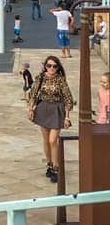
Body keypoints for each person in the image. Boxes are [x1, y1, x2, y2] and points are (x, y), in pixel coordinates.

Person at [27, 56, 74, 184]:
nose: (52, 68)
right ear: (45, 66)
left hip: (57, 110)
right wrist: (30, 109)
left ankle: (56, 167)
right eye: (49, 65)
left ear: (58, 67)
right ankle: (49, 164)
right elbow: (33, 94)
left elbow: (68, 98)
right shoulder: (40, 78)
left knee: (53, 140)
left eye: (54, 66)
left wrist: (67, 116)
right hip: (43, 109)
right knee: (46, 140)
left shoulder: (60, 80)